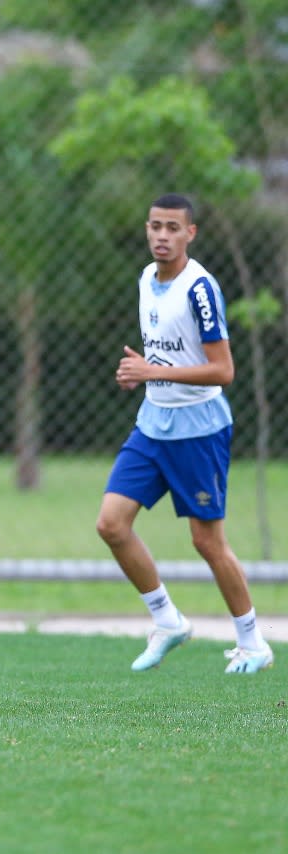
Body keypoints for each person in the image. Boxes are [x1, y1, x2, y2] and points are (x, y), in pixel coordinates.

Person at [96, 193, 273, 675]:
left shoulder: (200, 289)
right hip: (154, 423)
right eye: (155, 226)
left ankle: (253, 641)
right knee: (111, 523)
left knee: (206, 541)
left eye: (173, 228)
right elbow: (162, 362)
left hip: (198, 428)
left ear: (190, 234)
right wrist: (145, 376)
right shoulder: (146, 280)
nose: (161, 235)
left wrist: (150, 372)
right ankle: (168, 620)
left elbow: (223, 370)